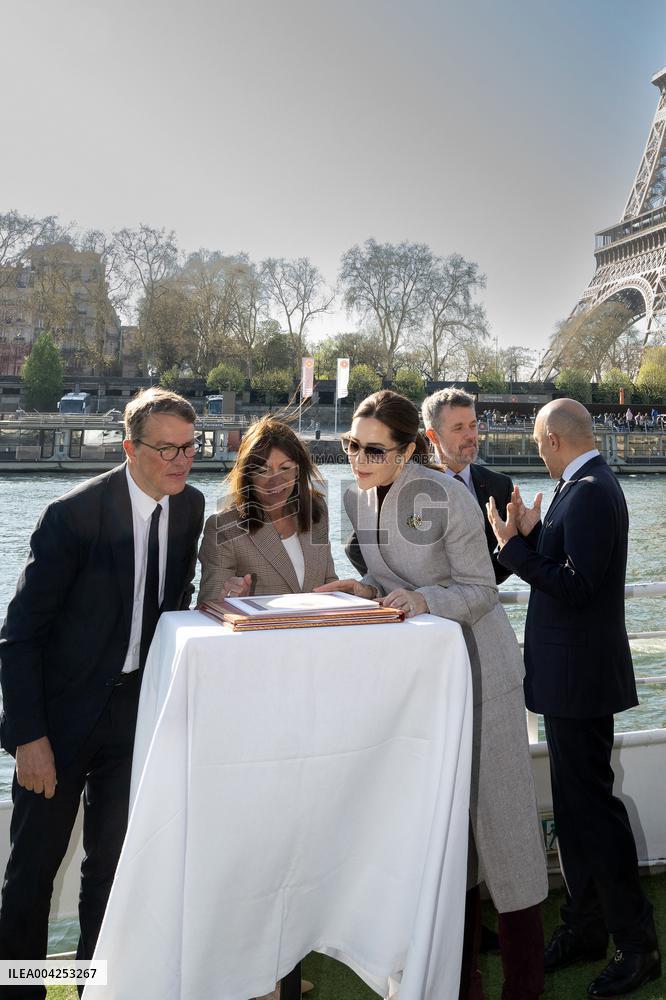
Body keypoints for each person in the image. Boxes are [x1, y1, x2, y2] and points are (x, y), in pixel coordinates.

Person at [318, 390, 547, 1000]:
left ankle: (525, 987)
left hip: (483, 677)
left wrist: (424, 600)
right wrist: (364, 590)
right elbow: (386, 579)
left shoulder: (449, 496)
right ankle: (461, 984)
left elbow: (480, 589)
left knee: (506, 835)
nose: (357, 458)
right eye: (351, 445)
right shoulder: (355, 497)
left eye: (373, 449)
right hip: (423, 691)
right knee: (443, 842)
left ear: (408, 450)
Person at [0, 387, 205, 991]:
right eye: (166, 448)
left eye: (189, 447)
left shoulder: (190, 508)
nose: (181, 460)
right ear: (129, 449)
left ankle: (96, 986)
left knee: (112, 869)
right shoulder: (72, 516)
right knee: (32, 874)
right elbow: (19, 635)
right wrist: (28, 737)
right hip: (58, 724)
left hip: (135, 715)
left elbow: (171, 603)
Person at [487, 398, 660, 998]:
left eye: (538, 442)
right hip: (571, 677)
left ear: (553, 440)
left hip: (580, 680)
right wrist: (534, 534)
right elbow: (572, 561)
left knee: (593, 815)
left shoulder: (587, 492)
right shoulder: (583, 486)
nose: (537, 451)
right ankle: (585, 927)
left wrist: (512, 549)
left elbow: (579, 585)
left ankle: (637, 944)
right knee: (576, 812)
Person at [198, 416, 337, 603]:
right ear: (248, 475)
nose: (276, 480)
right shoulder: (224, 527)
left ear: (298, 470)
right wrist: (232, 600)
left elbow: (329, 583)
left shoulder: (316, 510)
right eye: (263, 470)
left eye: (285, 468)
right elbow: (209, 605)